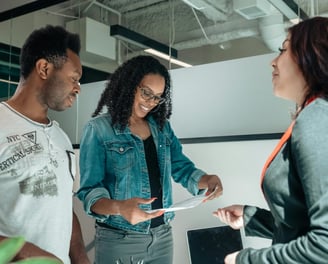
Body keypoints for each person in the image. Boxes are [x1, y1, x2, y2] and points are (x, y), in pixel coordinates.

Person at [77, 55, 223, 264]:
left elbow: (181, 167)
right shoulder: (99, 130)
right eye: (146, 93)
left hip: (162, 237)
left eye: (157, 97)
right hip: (120, 239)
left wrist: (207, 179)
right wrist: (120, 207)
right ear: (129, 86)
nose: (151, 102)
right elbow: (89, 192)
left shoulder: (161, 128)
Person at [213, 16, 328, 264]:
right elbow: (301, 226)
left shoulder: (317, 119)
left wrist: (245, 260)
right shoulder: (314, 115)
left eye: (283, 50)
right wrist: (250, 217)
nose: (272, 62)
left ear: (312, 55)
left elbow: (324, 245)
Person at [0, 25, 90, 264]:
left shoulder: (61, 137)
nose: (77, 88)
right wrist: (23, 251)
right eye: (74, 78)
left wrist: (80, 257)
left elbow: (62, 206)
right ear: (44, 68)